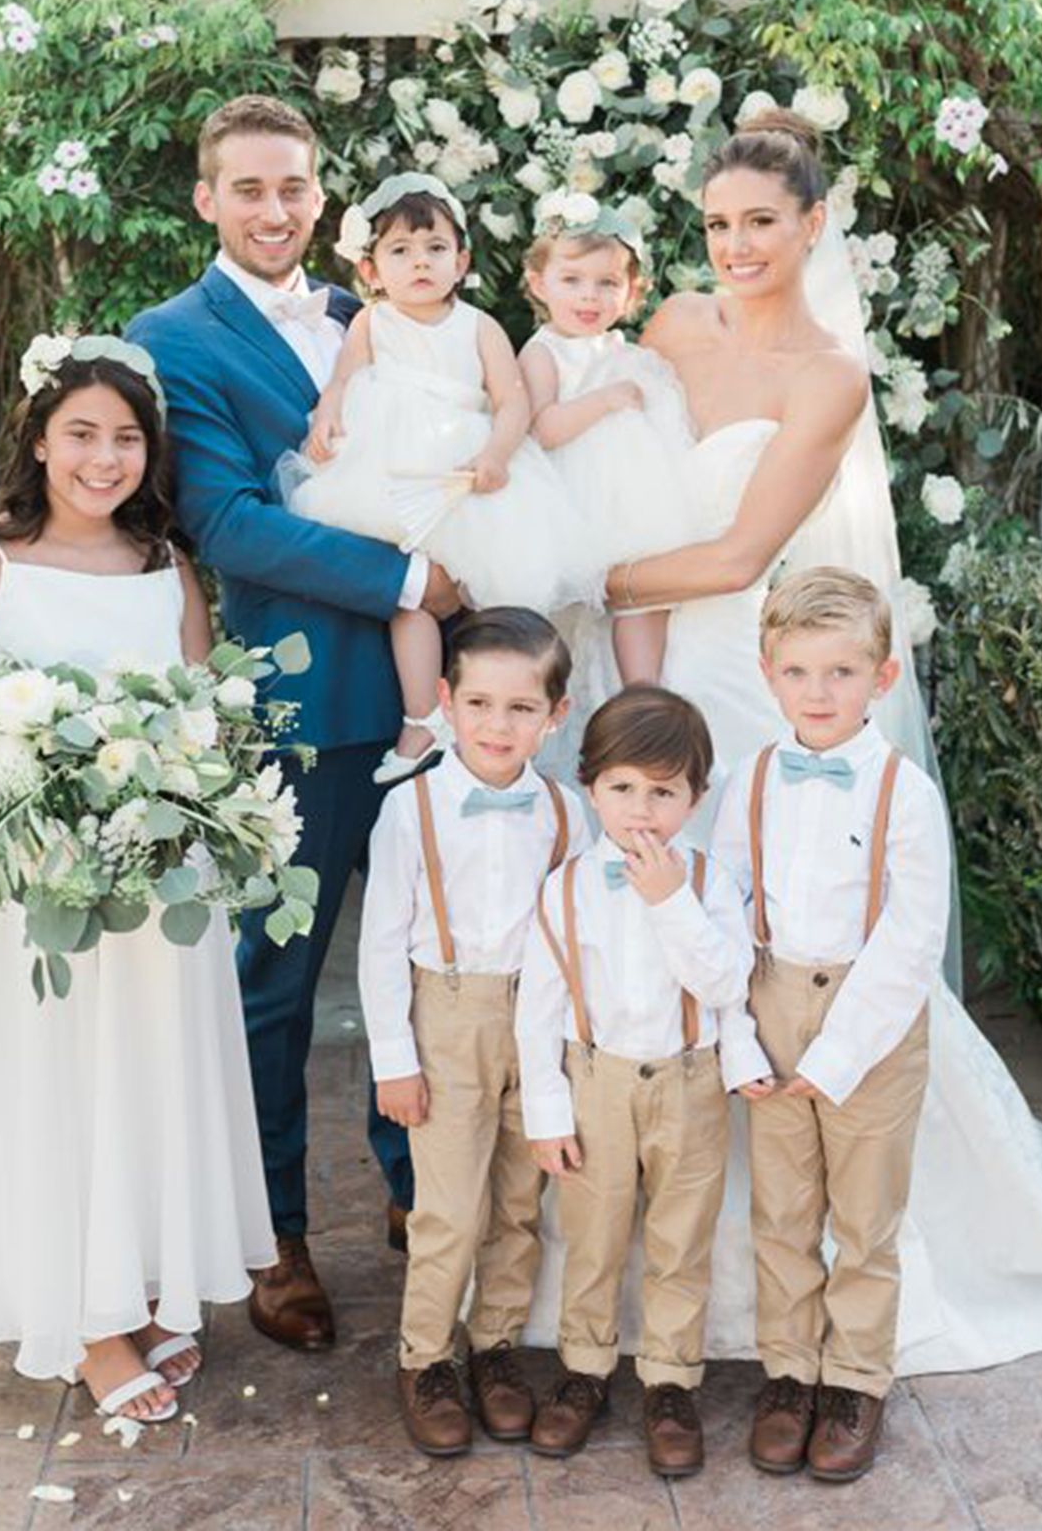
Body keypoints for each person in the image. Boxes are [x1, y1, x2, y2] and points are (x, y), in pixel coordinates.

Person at [525, 102, 1042, 1374]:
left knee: (775, 929)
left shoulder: (828, 375)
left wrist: (573, 573)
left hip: (731, 663)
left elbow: (735, 553)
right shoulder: (665, 323)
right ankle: (637, 1221)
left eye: (760, 223)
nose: (733, 245)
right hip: (631, 655)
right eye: (716, 223)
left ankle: (806, 1244)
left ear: (813, 224)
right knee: (628, 923)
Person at [127, 96, 458, 1354]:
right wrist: (414, 579)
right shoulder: (170, 341)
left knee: (438, 965)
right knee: (276, 981)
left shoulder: (381, 312)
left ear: (325, 198)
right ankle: (274, 1232)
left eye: (298, 187)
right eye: (250, 188)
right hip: (298, 706)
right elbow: (227, 524)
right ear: (207, 199)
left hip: (438, 706)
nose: (277, 210)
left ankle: (422, 1193)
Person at [0, 336, 275, 1423]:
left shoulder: (166, 566)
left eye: (125, 437)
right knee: (64, 1082)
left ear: (149, 451)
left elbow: (209, 711)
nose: (104, 457)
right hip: (42, 876)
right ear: (38, 438)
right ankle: (88, 1323)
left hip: (162, 875)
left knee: (152, 1075)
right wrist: (37, 784)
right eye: (81, 434)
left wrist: (188, 785)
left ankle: (140, 1283)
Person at [720, 569, 949, 1482]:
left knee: (863, 1216)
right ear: (770, 674)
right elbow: (727, 908)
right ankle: (789, 1372)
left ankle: (854, 1379)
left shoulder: (907, 793)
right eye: (801, 672)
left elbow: (912, 936)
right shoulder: (750, 780)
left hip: (873, 1018)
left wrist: (843, 1051)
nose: (820, 694)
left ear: (882, 679)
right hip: (771, 996)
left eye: (842, 673)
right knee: (781, 1210)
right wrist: (741, 1035)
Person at [359, 608, 587, 1456]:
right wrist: (395, 1061)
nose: (499, 725)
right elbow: (381, 943)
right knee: (447, 1207)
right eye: (481, 704)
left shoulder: (568, 812)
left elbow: (579, 931)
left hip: (542, 1021)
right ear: (446, 702)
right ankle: (426, 1358)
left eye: (522, 709)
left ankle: (495, 1347)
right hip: (447, 1018)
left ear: (554, 716)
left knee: (519, 1203)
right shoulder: (409, 810)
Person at [285, 173, 599, 784]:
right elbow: (343, 383)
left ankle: (507, 719)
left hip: (464, 472)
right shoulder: (372, 324)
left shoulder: (478, 326)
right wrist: (326, 420)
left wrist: (498, 455)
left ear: (462, 260)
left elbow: (511, 401)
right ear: (372, 270)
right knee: (409, 596)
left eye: (434, 248)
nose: (419, 263)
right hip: (388, 473)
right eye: (400, 251)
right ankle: (422, 716)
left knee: (492, 603)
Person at [517, 686, 755, 1479]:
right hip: (595, 1082)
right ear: (590, 788)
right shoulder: (565, 887)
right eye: (622, 789)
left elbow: (724, 981)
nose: (641, 811)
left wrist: (670, 903)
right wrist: (548, 1111)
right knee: (593, 1235)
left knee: (680, 1241)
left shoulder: (710, 881)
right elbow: (540, 1009)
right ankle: (585, 1370)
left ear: (695, 797)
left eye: (663, 792)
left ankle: (670, 1382)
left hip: (689, 1085)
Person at [519, 211, 695, 686]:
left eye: (607, 283)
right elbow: (543, 429)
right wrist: (606, 400)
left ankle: (642, 689)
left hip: (631, 500)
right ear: (539, 283)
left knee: (644, 589)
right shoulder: (543, 352)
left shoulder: (621, 349)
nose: (589, 296)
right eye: (572, 280)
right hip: (572, 499)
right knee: (569, 619)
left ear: (632, 291)